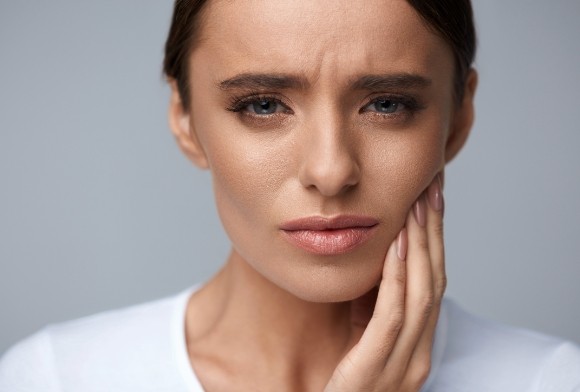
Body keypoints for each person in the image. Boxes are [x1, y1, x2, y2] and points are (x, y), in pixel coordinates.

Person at [1, 0, 579, 391]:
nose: (330, 171)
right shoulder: (54, 378)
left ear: (458, 118)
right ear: (183, 116)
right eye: (263, 104)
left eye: (387, 104)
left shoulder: (550, 381)